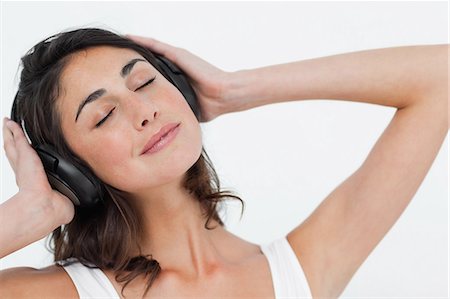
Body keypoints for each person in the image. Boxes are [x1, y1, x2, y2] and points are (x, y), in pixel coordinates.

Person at [0, 27, 448, 299]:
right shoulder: (65, 292)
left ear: (182, 89)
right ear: (71, 171)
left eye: (144, 82)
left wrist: (235, 90)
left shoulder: (299, 271)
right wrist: (29, 215)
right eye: (104, 115)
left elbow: (441, 75)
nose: (144, 111)